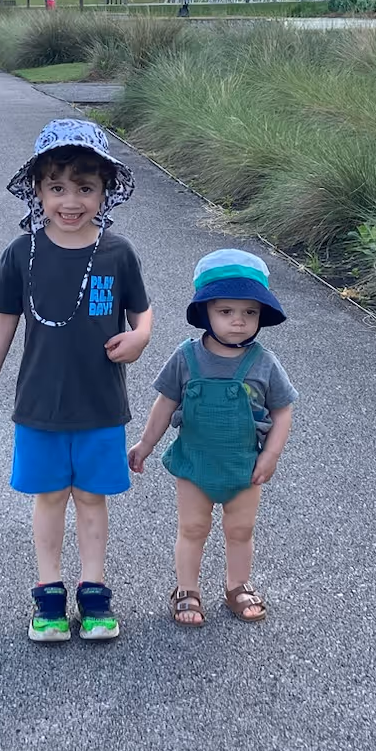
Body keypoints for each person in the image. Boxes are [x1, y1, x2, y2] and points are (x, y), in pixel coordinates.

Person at [0, 119, 153, 643]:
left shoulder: (117, 253)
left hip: (100, 405)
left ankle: (94, 593)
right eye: (57, 188)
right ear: (38, 190)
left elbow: (143, 315)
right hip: (39, 406)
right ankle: (49, 596)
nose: (70, 202)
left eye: (85, 188)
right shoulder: (21, 253)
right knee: (50, 497)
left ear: (105, 192)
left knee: (92, 498)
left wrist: (140, 337)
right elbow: (3, 320)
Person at [127, 250, 297, 627]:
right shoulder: (186, 357)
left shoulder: (264, 363)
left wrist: (271, 454)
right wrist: (145, 444)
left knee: (240, 529)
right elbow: (164, 403)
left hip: (244, 464)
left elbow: (283, 410)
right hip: (194, 462)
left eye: (249, 312)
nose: (238, 321)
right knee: (192, 528)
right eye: (226, 312)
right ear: (205, 312)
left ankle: (237, 585)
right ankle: (186, 590)